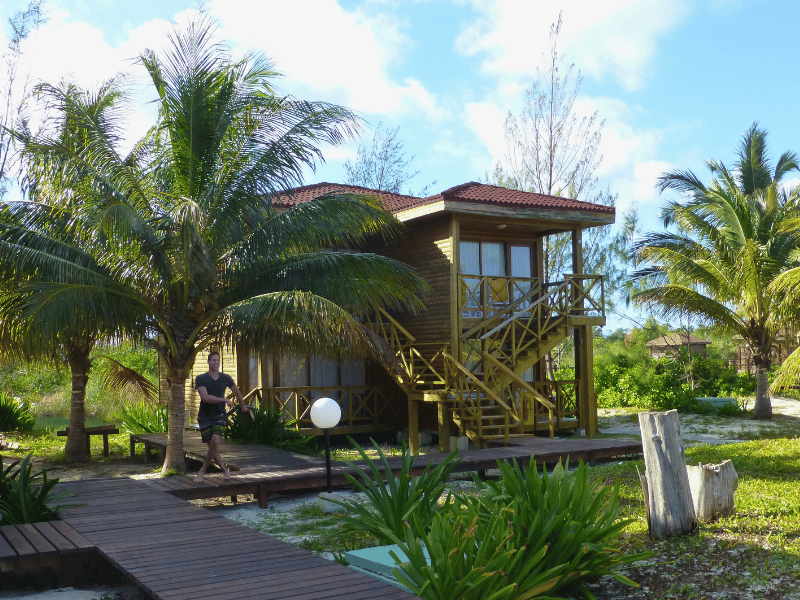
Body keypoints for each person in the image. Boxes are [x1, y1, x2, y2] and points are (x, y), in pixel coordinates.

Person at [193, 351, 249, 483]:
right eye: (213, 360)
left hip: (219, 415)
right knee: (213, 447)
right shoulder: (200, 378)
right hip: (204, 416)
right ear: (208, 362)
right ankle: (225, 470)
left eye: (218, 360)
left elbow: (237, 392)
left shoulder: (226, 378)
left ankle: (202, 471)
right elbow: (205, 398)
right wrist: (224, 400)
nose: (216, 362)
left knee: (215, 442)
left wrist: (243, 407)